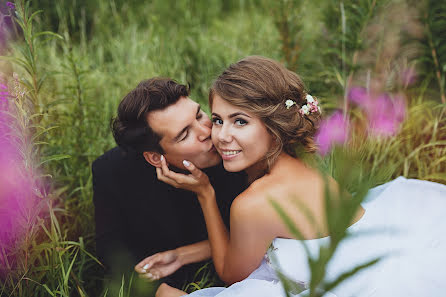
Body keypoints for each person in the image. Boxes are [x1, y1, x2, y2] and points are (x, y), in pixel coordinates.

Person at [152, 56, 446, 297]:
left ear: (273, 125)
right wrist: (183, 254)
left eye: (239, 121)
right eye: (217, 120)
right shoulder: (299, 166)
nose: (221, 136)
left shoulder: (253, 202)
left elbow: (232, 276)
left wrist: (206, 194)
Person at [91, 78, 246, 291]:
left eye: (200, 115)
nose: (206, 132)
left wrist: (204, 192)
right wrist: (159, 291)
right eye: (185, 134)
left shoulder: (236, 152)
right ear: (155, 158)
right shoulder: (112, 171)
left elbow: (250, 237)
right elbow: (112, 250)